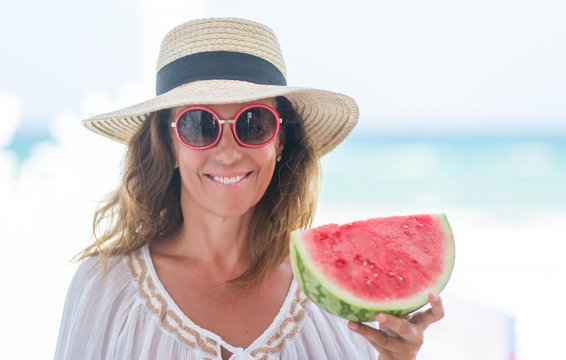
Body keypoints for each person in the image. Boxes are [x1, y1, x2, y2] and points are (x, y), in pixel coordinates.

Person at [55, 18, 444, 360]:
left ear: (279, 142)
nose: (228, 153)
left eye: (254, 123)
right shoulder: (105, 288)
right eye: (199, 124)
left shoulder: (331, 299)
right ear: (168, 145)